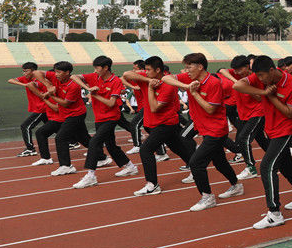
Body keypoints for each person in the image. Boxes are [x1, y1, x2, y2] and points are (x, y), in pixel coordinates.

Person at [234, 56, 292, 229]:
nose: (260, 80)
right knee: (287, 166)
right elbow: (237, 85)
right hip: (271, 129)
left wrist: (271, 97)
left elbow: (290, 113)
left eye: (262, 76)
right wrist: (263, 92)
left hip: (285, 131)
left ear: (272, 70)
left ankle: (274, 213)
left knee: (267, 167)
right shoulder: (260, 77)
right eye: (258, 77)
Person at [163, 53, 242, 211]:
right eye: (185, 67)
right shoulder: (190, 79)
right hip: (204, 128)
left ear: (200, 67)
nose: (186, 70)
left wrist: (194, 93)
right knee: (220, 162)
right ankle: (236, 185)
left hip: (216, 130)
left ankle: (207, 197)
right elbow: (167, 78)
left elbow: (210, 109)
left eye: (189, 66)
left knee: (196, 163)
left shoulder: (213, 83)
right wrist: (187, 86)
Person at [123, 57, 194, 196]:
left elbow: (155, 108)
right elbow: (126, 75)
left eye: (148, 70)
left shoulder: (168, 84)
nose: (146, 72)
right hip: (154, 123)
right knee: (177, 147)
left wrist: (149, 88)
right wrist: (148, 80)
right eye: (145, 69)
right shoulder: (148, 77)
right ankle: (195, 167)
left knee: (145, 150)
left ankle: (152, 184)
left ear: (158, 70)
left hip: (166, 123)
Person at [66, 56, 136, 188]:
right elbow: (73, 77)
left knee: (94, 141)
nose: (95, 70)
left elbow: (111, 103)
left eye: (97, 68)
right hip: (99, 118)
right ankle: (129, 166)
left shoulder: (116, 81)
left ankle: (90, 175)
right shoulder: (94, 77)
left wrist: (95, 95)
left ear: (106, 68)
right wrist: (88, 88)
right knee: (110, 145)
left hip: (111, 117)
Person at [31, 62, 93, 175]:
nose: (56, 74)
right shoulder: (55, 78)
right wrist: (48, 85)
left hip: (76, 114)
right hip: (67, 115)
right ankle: (101, 156)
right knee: (83, 137)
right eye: (55, 71)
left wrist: (50, 95)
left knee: (60, 138)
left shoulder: (73, 85)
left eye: (59, 72)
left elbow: (65, 104)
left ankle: (66, 166)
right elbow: (36, 72)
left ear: (67, 72)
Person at [219, 56, 269, 180]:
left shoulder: (256, 77)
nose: (236, 72)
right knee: (261, 139)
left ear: (247, 67)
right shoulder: (236, 75)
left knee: (243, 138)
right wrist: (236, 80)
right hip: (243, 113)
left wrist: (245, 87)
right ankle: (277, 159)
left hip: (257, 112)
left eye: (239, 70)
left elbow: (259, 97)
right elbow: (222, 71)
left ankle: (251, 167)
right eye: (235, 70)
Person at [9, 63, 50, 157]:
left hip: (42, 108)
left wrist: (28, 84)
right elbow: (10, 80)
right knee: (53, 127)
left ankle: (30, 149)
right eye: (23, 71)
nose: (24, 73)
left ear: (33, 71)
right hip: (40, 108)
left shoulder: (39, 80)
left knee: (25, 126)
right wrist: (24, 84)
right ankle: (72, 141)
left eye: (26, 71)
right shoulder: (26, 79)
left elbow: (32, 85)